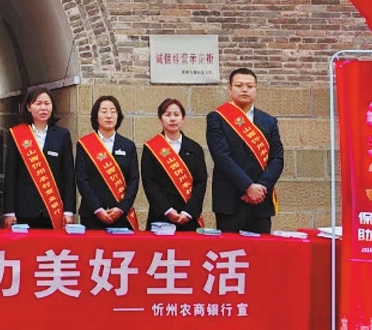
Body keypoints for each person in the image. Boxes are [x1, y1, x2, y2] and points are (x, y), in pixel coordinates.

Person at [206, 68, 284, 234]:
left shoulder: (269, 121)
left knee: (261, 249)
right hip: (230, 200)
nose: (244, 89)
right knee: (230, 249)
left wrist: (262, 186)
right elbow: (221, 156)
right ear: (230, 89)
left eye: (249, 86)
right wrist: (248, 186)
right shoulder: (217, 118)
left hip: (261, 200)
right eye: (239, 85)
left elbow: (277, 158)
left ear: (256, 89)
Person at [3, 85, 75, 230]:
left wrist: (69, 210)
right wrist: (9, 211)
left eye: (47, 103)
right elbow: (10, 176)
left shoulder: (62, 135)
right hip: (24, 209)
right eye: (38, 103)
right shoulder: (17, 134)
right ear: (29, 107)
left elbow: (68, 175)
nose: (43, 108)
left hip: (53, 209)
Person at [141, 98, 207, 231]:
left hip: (188, 217)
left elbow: (200, 183)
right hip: (161, 216)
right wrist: (167, 210)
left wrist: (188, 212)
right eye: (167, 115)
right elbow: (149, 182)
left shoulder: (195, 148)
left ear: (183, 119)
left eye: (176, 115)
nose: (172, 119)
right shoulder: (151, 148)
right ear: (160, 119)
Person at [74, 95, 140, 230]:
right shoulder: (85, 145)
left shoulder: (128, 146)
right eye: (104, 111)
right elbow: (82, 179)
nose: (109, 116)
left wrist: (122, 208)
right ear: (96, 116)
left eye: (113, 111)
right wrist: (97, 209)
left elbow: (133, 180)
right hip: (92, 214)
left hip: (121, 215)